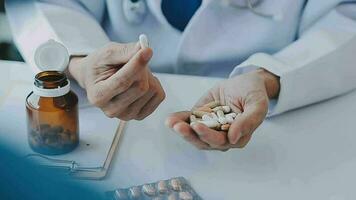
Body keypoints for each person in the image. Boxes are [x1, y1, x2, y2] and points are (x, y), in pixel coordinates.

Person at [6, 0, 356, 151]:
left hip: (280, 127)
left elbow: (348, 19)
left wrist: (269, 77)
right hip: (109, 124)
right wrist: (81, 61)